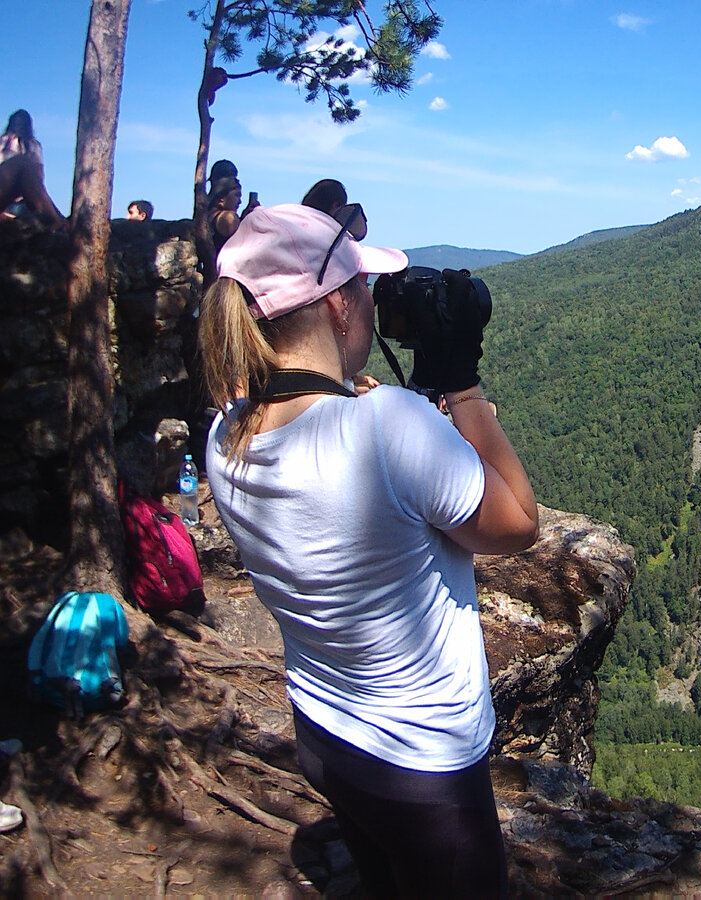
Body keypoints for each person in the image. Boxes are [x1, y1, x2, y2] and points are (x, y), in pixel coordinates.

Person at [199, 202, 538, 897]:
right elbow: (518, 523)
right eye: (362, 286)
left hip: (328, 738)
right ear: (337, 310)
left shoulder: (224, 437)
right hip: (426, 768)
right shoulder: (388, 426)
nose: (375, 303)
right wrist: (463, 386)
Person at [0, 110, 66, 227]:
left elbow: (38, 180)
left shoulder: (34, 145)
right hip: (7, 195)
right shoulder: (3, 142)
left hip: (24, 200)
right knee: (22, 161)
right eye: (16, 123)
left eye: (22, 124)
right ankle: (56, 219)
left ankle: (57, 219)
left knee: (30, 172)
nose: (18, 127)